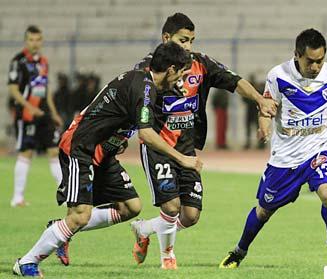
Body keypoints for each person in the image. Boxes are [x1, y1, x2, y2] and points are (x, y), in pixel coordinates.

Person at [12, 42, 202, 277]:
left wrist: (118, 137)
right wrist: (182, 158)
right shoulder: (145, 88)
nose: (182, 79)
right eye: (182, 73)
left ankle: (60, 231)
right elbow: (146, 133)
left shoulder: (143, 83)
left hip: (102, 153)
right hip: (81, 148)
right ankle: (26, 263)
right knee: (80, 215)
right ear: (171, 69)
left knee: (130, 207)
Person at [129, 12, 278, 269]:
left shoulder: (201, 63)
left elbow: (235, 81)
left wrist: (259, 99)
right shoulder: (146, 70)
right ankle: (168, 258)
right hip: (158, 147)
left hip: (188, 147)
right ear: (166, 38)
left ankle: (144, 229)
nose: (188, 46)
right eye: (182, 40)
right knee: (172, 206)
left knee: (191, 215)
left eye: (191, 40)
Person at [219, 28, 327, 268]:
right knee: (264, 211)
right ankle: (239, 251)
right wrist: (264, 126)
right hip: (285, 159)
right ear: (296, 55)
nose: (315, 67)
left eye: (320, 61)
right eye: (310, 61)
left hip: (319, 151)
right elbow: (266, 106)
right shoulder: (279, 76)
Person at [8, 25, 63, 207]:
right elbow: (13, 90)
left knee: (54, 150)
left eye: (38, 39)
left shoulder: (43, 62)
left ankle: (65, 196)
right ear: (26, 41)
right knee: (26, 152)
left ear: (42, 41)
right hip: (26, 115)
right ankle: (17, 197)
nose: (35, 43)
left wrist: (53, 113)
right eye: (31, 40)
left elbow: (45, 90)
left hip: (44, 112)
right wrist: (29, 107)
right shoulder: (18, 61)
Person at [243, 73, 265, 149]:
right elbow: (244, 98)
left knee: (258, 127)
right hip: (250, 109)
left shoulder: (257, 89)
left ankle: (261, 144)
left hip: (256, 109)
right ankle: (248, 143)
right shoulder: (247, 90)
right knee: (248, 127)